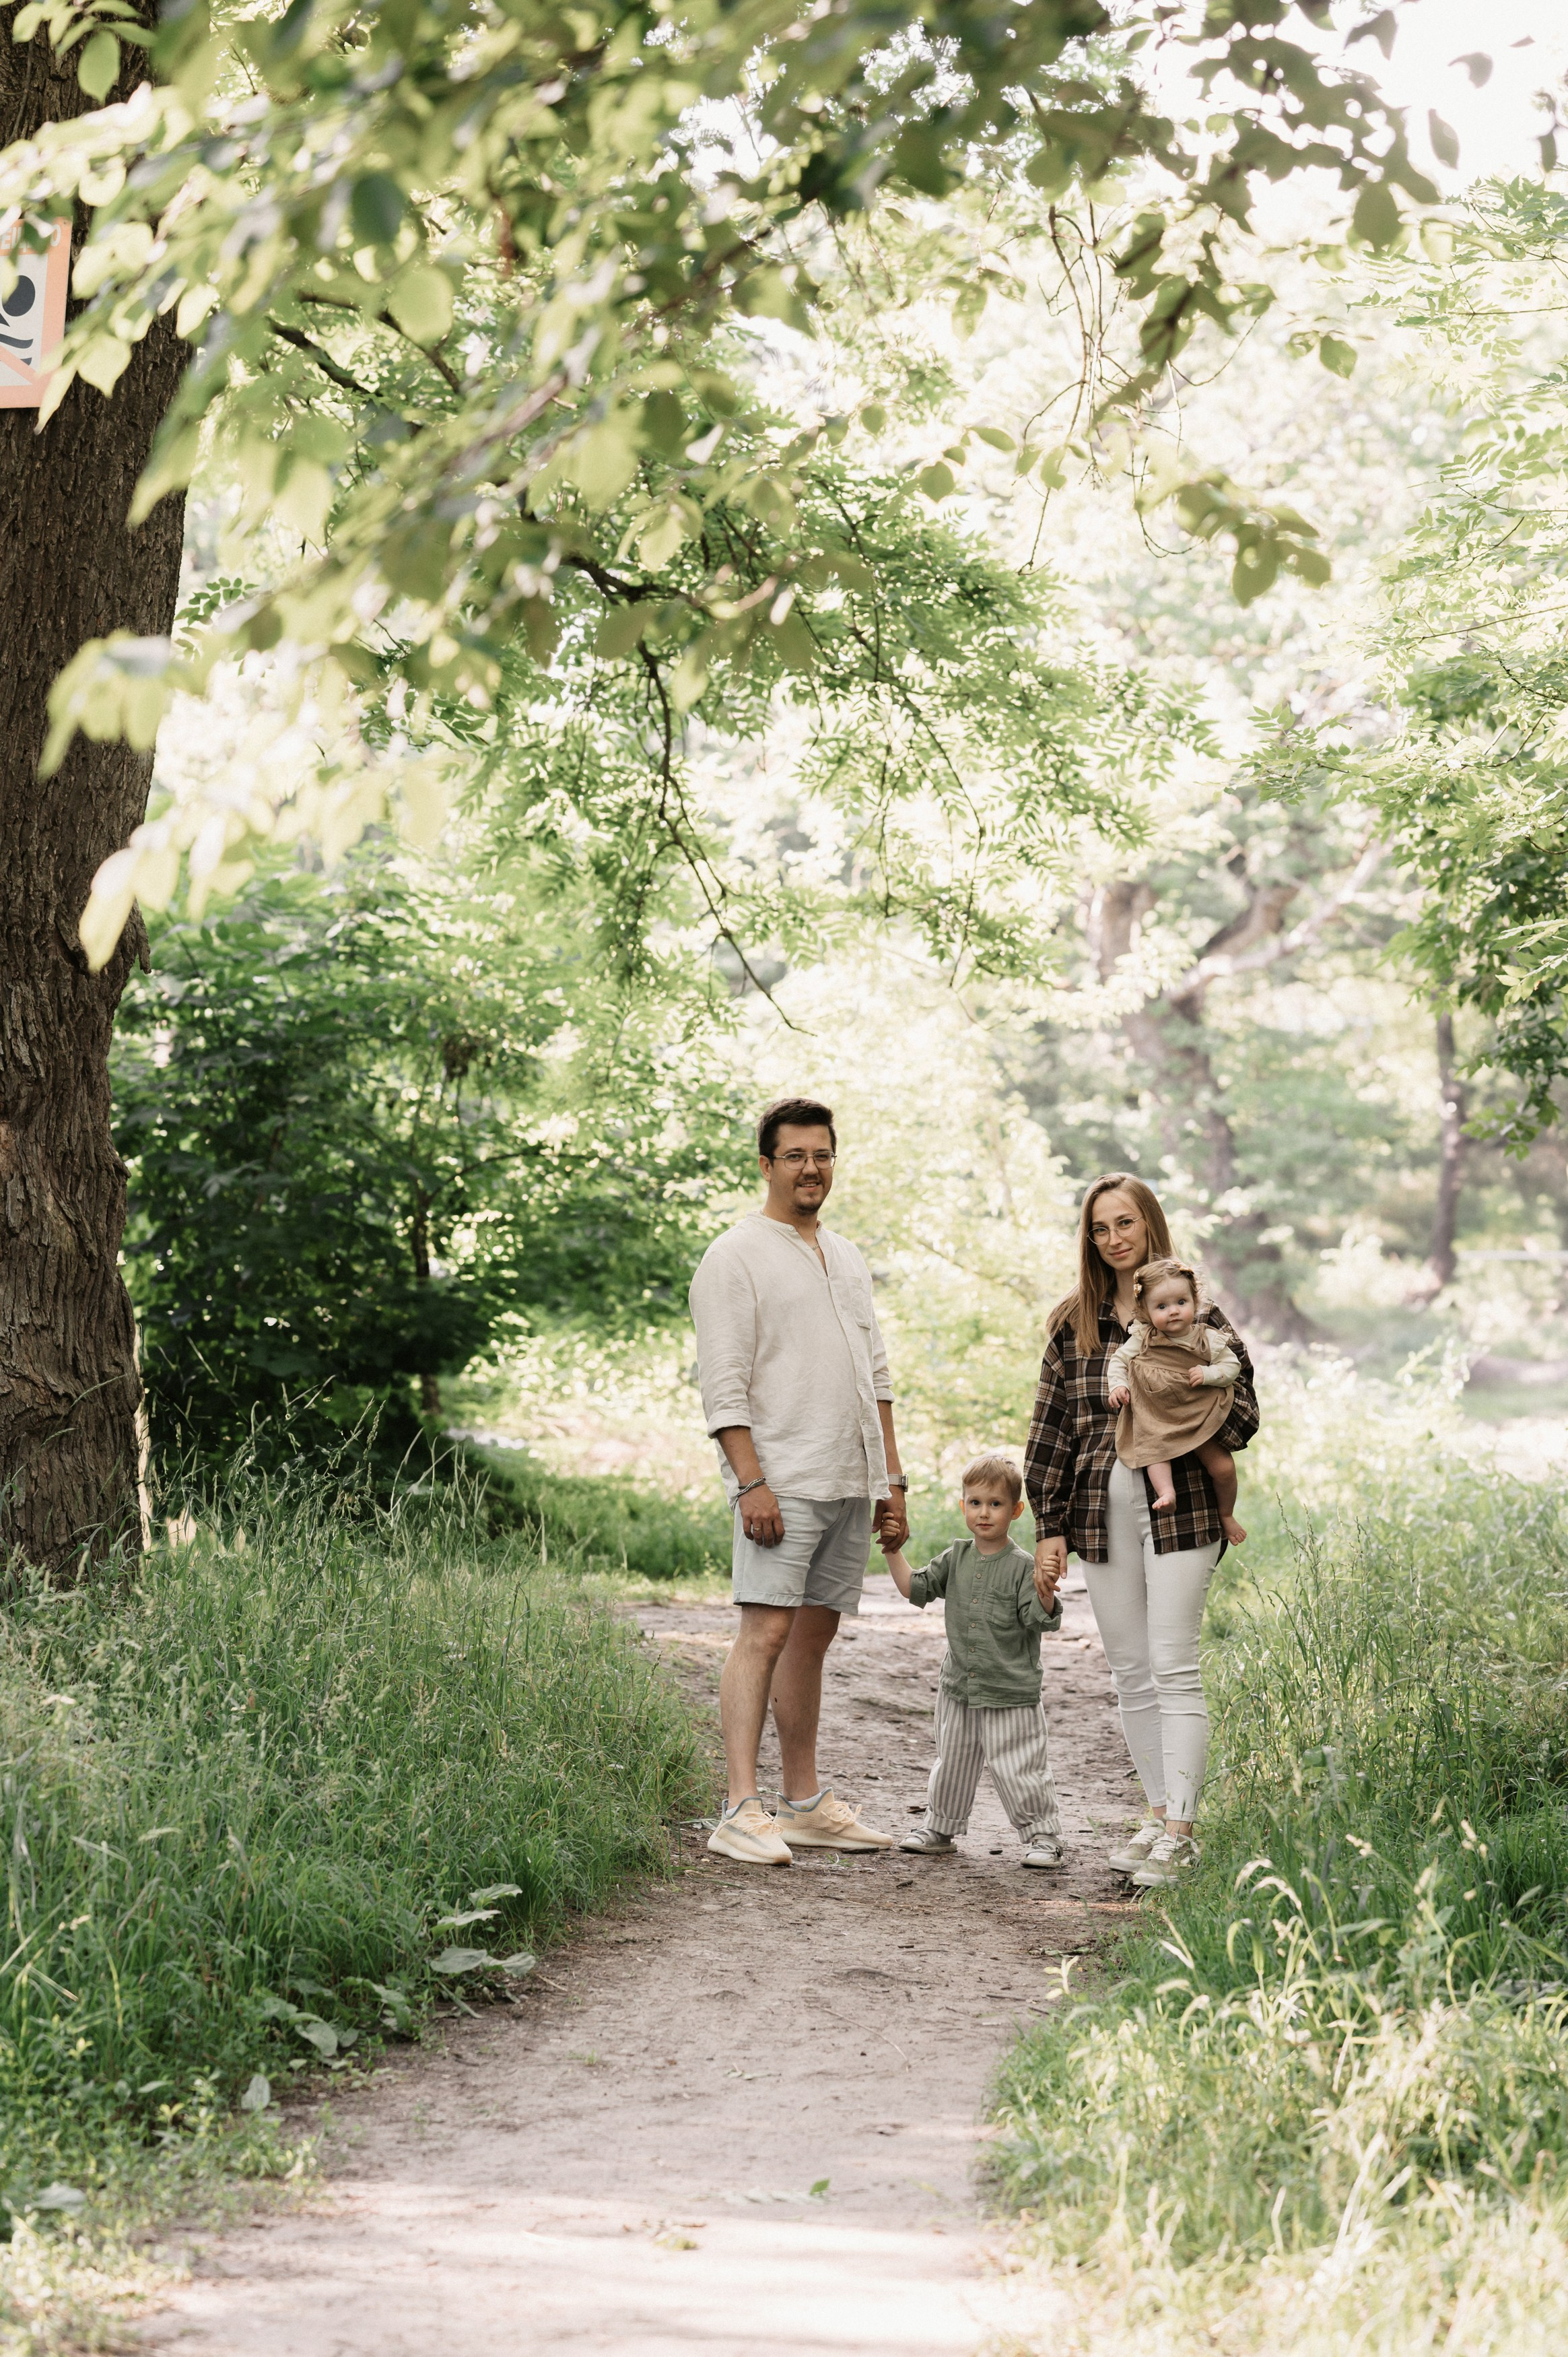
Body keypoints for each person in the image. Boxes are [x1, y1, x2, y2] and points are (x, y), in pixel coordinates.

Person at [688, 1095, 906, 1867]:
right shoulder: (734, 1254)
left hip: (849, 1476)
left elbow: (875, 1374)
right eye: (795, 1156)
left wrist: (891, 1480)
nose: (811, 1168)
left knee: (812, 1637)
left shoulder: (843, 1254)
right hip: (780, 1476)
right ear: (766, 1164)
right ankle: (739, 1806)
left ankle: (804, 1803)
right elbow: (723, 1381)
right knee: (766, 1632)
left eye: (822, 1154)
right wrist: (750, 1482)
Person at [1024, 1174, 1258, 1890]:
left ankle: (1183, 1832)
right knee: (1129, 1670)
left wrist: (1186, 1410)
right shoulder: (1074, 1323)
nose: (1114, 1237)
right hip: (1100, 1505)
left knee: (1173, 1663)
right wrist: (1048, 1524)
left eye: (1125, 1222)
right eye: (1100, 1228)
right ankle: (1158, 1815)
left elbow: (1244, 1411)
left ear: (1149, 1224)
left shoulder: (1194, 1311)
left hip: (1182, 1500)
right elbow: (1051, 1428)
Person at [879, 1454, 1066, 1869]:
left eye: (996, 1504)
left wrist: (1046, 1589)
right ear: (963, 1506)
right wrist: (894, 1549)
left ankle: (1044, 1837)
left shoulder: (1023, 1567)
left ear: (1016, 1511)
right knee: (953, 1761)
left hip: (1011, 1691)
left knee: (1021, 1766)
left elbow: (1040, 1621)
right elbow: (915, 1589)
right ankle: (939, 1828)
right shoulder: (956, 1558)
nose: (985, 1512)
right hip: (959, 1687)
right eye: (976, 1502)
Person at [1105, 1257, 1246, 1545]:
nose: (1173, 1312)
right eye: (1161, 1306)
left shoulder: (1208, 1338)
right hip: (1158, 1417)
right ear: (1144, 1311)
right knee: (1155, 1451)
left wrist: (1209, 1374)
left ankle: (1227, 1514)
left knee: (1223, 1468)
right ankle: (1166, 1493)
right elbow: (1119, 1361)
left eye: (1181, 1302)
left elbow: (1232, 1367)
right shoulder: (1143, 1336)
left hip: (1197, 1417)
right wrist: (1117, 1385)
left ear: (1196, 1301)